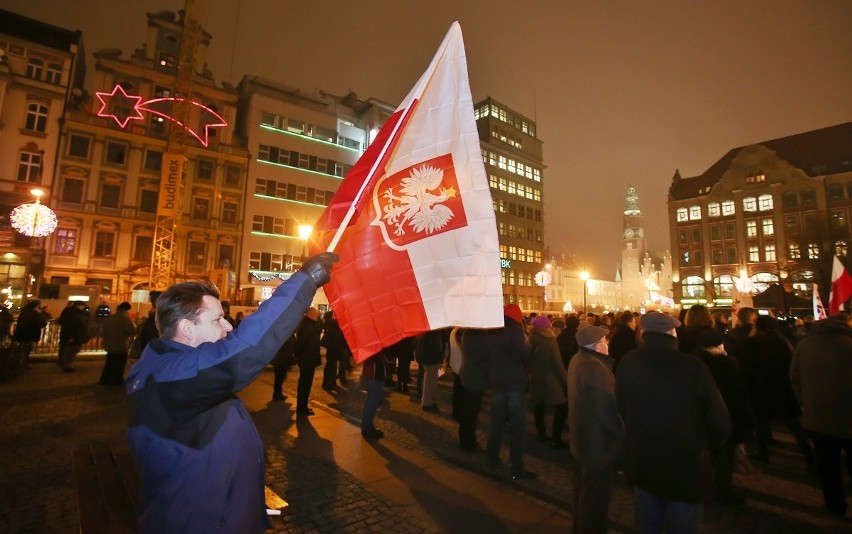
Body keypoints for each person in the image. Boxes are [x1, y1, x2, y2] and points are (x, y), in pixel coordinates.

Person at [125, 252, 337, 533]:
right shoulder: (172, 376)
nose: (228, 326)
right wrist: (304, 282)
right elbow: (244, 349)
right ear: (187, 328)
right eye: (218, 319)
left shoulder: (169, 369)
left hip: (220, 511)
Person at [616, 312, 730, 533]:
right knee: (683, 525)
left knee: (647, 523)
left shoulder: (628, 362)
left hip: (643, 458)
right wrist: (706, 447)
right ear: (673, 334)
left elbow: (622, 407)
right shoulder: (692, 366)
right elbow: (720, 419)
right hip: (684, 464)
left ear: (643, 334)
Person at [791, 310, 852, 517]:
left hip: (817, 415)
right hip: (848, 414)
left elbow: (794, 377)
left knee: (828, 465)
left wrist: (805, 402)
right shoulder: (849, 344)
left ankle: (835, 505)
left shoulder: (805, 345)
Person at [567, 324, 624, 533]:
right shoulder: (594, 368)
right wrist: (622, 434)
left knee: (583, 495)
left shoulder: (579, 360)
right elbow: (607, 410)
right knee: (594, 502)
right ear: (597, 345)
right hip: (597, 447)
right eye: (605, 341)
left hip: (584, 442)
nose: (608, 344)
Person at [739, 315, 814, 471]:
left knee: (761, 421)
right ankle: (809, 457)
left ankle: (763, 452)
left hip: (761, 388)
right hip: (783, 387)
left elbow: (746, 368)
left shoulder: (751, 343)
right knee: (793, 424)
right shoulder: (782, 342)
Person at [692, 330, 753, 505]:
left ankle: (703, 487)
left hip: (700, 415)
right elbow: (737, 394)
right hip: (724, 414)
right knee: (724, 457)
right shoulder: (725, 364)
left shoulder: (691, 361)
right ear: (720, 345)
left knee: (704, 455)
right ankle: (722, 492)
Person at [486, 304, 537, 481]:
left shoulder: (492, 331)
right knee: (517, 428)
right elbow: (524, 356)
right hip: (514, 384)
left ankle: (491, 458)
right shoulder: (514, 332)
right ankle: (517, 468)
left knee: (496, 423)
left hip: (497, 382)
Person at [527, 315, 568, 448]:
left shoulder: (530, 338)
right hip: (550, 380)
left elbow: (526, 359)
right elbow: (557, 364)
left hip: (536, 378)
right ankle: (556, 438)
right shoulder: (549, 340)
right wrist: (566, 380)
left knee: (539, 407)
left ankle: (542, 433)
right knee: (562, 408)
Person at [458, 328, 491, 451]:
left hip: (469, 375)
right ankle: (468, 441)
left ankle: (465, 438)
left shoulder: (467, 333)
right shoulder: (478, 335)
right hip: (475, 377)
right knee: (471, 412)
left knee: (468, 410)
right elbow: (485, 355)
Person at [98, 302, 137, 386]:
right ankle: (116, 380)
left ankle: (104, 379)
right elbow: (132, 330)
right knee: (120, 364)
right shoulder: (126, 319)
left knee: (109, 363)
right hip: (121, 344)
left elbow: (102, 331)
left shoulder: (109, 318)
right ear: (126, 310)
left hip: (109, 344)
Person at [295, 307, 323, 416]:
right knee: (304, 384)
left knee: (306, 384)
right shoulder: (307, 326)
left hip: (308, 359)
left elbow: (319, 327)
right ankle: (301, 408)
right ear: (310, 315)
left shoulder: (309, 325)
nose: (317, 316)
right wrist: (299, 356)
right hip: (307, 359)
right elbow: (301, 344)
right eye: (316, 314)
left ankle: (303, 407)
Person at [360, 349, 392, 439]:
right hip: (375, 375)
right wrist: (388, 363)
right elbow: (382, 359)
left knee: (371, 403)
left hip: (370, 375)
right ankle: (367, 429)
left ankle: (369, 427)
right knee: (372, 404)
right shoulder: (376, 346)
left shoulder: (370, 344)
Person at [416, 328, 446, 412]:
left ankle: (428, 401)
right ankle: (427, 403)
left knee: (429, 380)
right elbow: (436, 347)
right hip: (431, 359)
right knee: (430, 381)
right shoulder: (433, 334)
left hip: (428, 359)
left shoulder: (426, 333)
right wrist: (440, 358)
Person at [13, 300, 48, 370]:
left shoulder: (24, 313)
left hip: (21, 334)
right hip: (30, 334)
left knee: (23, 350)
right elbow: (40, 323)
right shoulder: (34, 314)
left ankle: (20, 365)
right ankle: (23, 365)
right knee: (26, 351)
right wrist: (44, 320)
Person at [58, 301, 90, 372]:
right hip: (75, 335)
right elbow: (69, 326)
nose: (84, 307)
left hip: (77, 335)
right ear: (79, 306)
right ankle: (67, 366)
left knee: (73, 351)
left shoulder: (78, 313)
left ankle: (68, 365)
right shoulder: (73, 313)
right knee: (71, 351)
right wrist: (70, 336)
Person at [129, 291, 162, 360]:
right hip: (152, 351)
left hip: (153, 352)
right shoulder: (154, 317)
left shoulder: (156, 317)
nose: (151, 300)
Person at [320, 310, 347, 390]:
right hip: (334, 348)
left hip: (336, 348)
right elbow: (335, 336)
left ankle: (331, 381)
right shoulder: (332, 323)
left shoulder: (335, 323)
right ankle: (327, 383)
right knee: (330, 366)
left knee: (332, 365)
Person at [270, 333, 296, 401]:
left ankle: (277, 393)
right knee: (280, 377)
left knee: (278, 377)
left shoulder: (280, 331)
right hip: (283, 358)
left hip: (279, 357)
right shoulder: (287, 333)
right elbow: (290, 346)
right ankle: (277, 394)